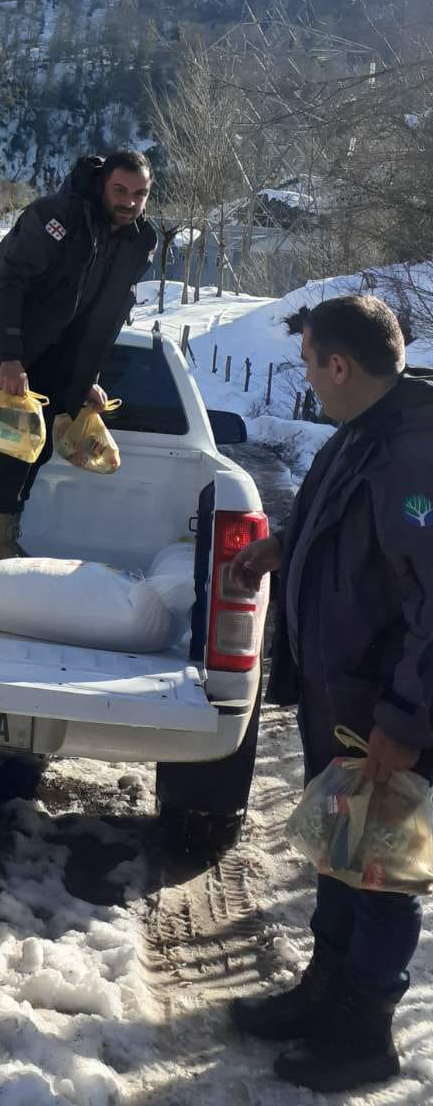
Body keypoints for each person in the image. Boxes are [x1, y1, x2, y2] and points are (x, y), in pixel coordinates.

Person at [228, 294, 433, 1093]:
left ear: (340, 365)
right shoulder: (364, 435)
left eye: (310, 363)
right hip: (344, 702)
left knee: (379, 875)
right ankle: (324, 994)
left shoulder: (414, 456)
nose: (307, 379)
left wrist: (407, 722)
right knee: (341, 862)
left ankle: (363, 1034)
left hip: (387, 713)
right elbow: (343, 524)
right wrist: (283, 548)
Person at [0, 151, 156, 561]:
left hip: (66, 357)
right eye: (120, 190)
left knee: (40, 449)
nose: (129, 201)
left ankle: (5, 536)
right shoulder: (58, 217)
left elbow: (107, 315)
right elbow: (8, 283)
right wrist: (9, 357)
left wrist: (90, 375)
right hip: (24, 348)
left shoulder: (139, 240)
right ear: (102, 184)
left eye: (139, 194)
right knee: (22, 446)